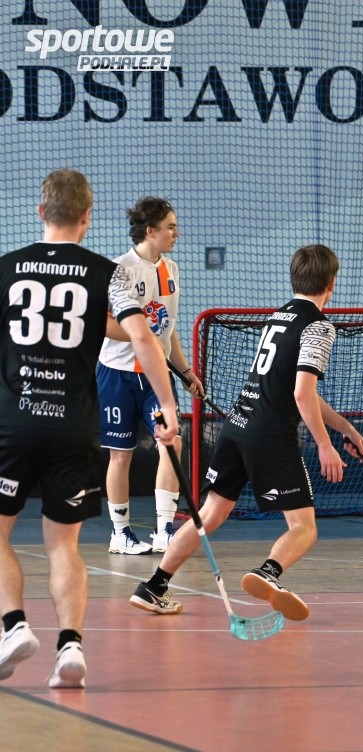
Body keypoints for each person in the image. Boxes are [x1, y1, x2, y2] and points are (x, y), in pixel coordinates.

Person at [0, 169, 179, 688]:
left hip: (13, 423)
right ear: (86, 217)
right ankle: (70, 646)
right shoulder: (107, 273)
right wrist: (168, 405)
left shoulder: (7, 268)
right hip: (74, 425)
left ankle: (13, 625)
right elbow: (142, 338)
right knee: (64, 545)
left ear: (40, 213)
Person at [128, 244, 363, 620]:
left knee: (210, 514)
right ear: (331, 284)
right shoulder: (319, 327)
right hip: (271, 436)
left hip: (236, 426)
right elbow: (302, 393)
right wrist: (325, 445)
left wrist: (345, 428)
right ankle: (268, 572)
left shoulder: (278, 317)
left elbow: (296, 387)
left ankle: (154, 585)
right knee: (304, 527)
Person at [99, 197, 205, 555]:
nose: (177, 233)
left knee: (171, 442)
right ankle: (120, 533)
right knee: (121, 455)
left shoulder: (172, 269)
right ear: (150, 231)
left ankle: (164, 530)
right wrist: (141, 335)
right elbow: (103, 325)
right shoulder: (120, 270)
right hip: (117, 376)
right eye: (170, 226)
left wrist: (185, 370)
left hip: (155, 379)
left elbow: (167, 328)